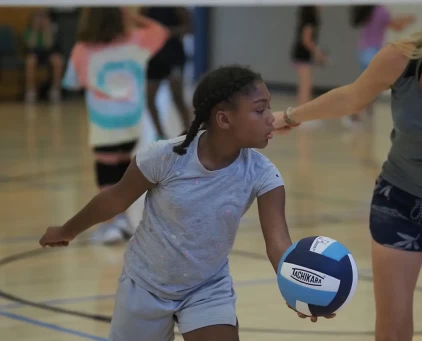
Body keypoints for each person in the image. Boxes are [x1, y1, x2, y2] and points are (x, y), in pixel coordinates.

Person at [39, 64, 333, 341]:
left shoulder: (263, 174)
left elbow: (279, 243)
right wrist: (68, 229)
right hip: (145, 284)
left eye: (269, 106)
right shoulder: (166, 157)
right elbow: (114, 200)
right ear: (224, 119)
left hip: (207, 287)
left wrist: (298, 288)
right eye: (260, 109)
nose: (271, 116)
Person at [273, 0, 422, 340]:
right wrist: (288, 117)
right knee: (392, 331)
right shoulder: (401, 59)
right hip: (399, 200)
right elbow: (351, 98)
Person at [61, 8, 169, 244]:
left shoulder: (82, 49)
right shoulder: (136, 43)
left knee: (107, 173)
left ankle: (112, 225)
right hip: (130, 120)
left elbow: (72, 82)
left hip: (104, 122)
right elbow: (160, 31)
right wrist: (131, 16)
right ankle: (120, 220)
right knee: (121, 171)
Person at [342, 5, 415, 127]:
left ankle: (363, 114)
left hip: (363, 51)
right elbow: (397, 27)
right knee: (370, 86)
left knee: (368, 85)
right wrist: (408, 19)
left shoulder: (366, 10)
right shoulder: (381, 11)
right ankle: (354, 114)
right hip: (373, 53)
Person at [143, 6, 193, 140]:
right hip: (153, 57)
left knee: (177, 97)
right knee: (149, 98)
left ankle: (190, 133)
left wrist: (167, 32)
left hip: (173, 57)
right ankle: (160, 134)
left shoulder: (177, 6)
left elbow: (190, 28)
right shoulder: (145, 7)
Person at [23, 8, 64, 103]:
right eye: (38, 17)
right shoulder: (29, 30)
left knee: (57, 60)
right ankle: (31, 91)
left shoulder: (52, 29)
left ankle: (55, 90)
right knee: (30, 61)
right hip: (34, 53)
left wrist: (46, 30)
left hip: (48, 53)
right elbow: (30, 45)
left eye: (43, 17)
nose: (40, 20)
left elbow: (49, 45)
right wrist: (35, 29)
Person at [290, 6, 326, 106]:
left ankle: (304, 116)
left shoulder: (308, 19)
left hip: (302, 56)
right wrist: (318, 53)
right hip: (302, 56)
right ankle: (302, 117)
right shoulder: (310, 20)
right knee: (305, 87)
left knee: (306, 86)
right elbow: (306, 40)